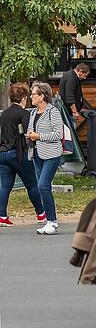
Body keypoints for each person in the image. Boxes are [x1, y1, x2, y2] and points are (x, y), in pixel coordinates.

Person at [0, 83, 46, 227]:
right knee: (32, 184)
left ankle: (2, 216)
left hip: (3, 153)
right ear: (24, 98)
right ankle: (41, 214)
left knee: (5, 186)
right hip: (18, 153)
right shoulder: (24, 113)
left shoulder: (4, 113)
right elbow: (27, 133)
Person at [26, 82, 62, 235]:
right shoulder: (33, 113)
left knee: (43, 185)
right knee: (43, 188)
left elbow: (58, 134)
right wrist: (29, 135)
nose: (31, 96)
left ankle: (52, 221)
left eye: (34, 94)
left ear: (42, 96)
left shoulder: (52, 112)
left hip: (52, 154)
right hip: (36, 153)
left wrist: (38, 136)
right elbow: (30, 130)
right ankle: (49, 221)